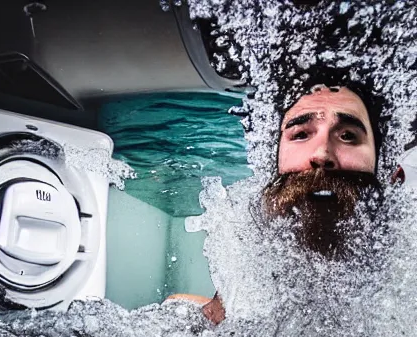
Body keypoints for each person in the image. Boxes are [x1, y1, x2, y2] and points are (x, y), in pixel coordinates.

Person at [166, 83, 406, 324]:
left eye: (347, 136)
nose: (322, 154)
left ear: (388, 171)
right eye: (301, 134)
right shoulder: (245, 257)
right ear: (275, 163)